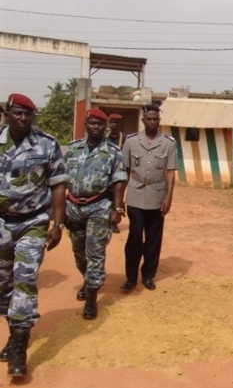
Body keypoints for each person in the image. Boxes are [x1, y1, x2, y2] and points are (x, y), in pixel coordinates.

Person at [0, 93, 67, 377]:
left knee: (25, 281)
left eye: (28, 114)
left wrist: (57, 224)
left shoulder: (47, 144)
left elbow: (58, 186)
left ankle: (19, 347)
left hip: (33, 223)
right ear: (7, 112)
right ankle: (15, 331)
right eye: (18, 113)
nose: (23, 119)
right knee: (4, 287)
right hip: (2, 222)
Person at [64, 108, 127, 319]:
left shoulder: (113, 151)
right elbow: (60, 179)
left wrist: (117, 209)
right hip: (73, 208)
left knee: (95, 253)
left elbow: (119, 181)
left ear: (105, 127)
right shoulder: (73, 149)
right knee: (79, 253)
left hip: (98, 207)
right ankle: (87, 278)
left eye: (100, 124)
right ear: (86, 125)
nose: (96, 127)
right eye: (92, 123)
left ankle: (91, 298)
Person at [120, 104, 177, 291]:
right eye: (149, 119)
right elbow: (126, 171)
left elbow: (170, 173)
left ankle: (148, 275)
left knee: (153, 239)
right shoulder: (131, 141)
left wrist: (169, 197)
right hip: (135, 195)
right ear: (143, 120)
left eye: (155, 119)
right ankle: (130, 276)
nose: (152, 122)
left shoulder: (168, 143)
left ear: (159, 121)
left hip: (156, 196)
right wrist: (120, 197)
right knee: (134, 237)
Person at [107, 113, 125, 233]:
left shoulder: (125, 138)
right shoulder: (104, 137)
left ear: (120, 124)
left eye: (116, 122)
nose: (114, 125)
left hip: (118, 171)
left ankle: (113, 223)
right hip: (105, 171)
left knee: (117, 197)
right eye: (112, 122)